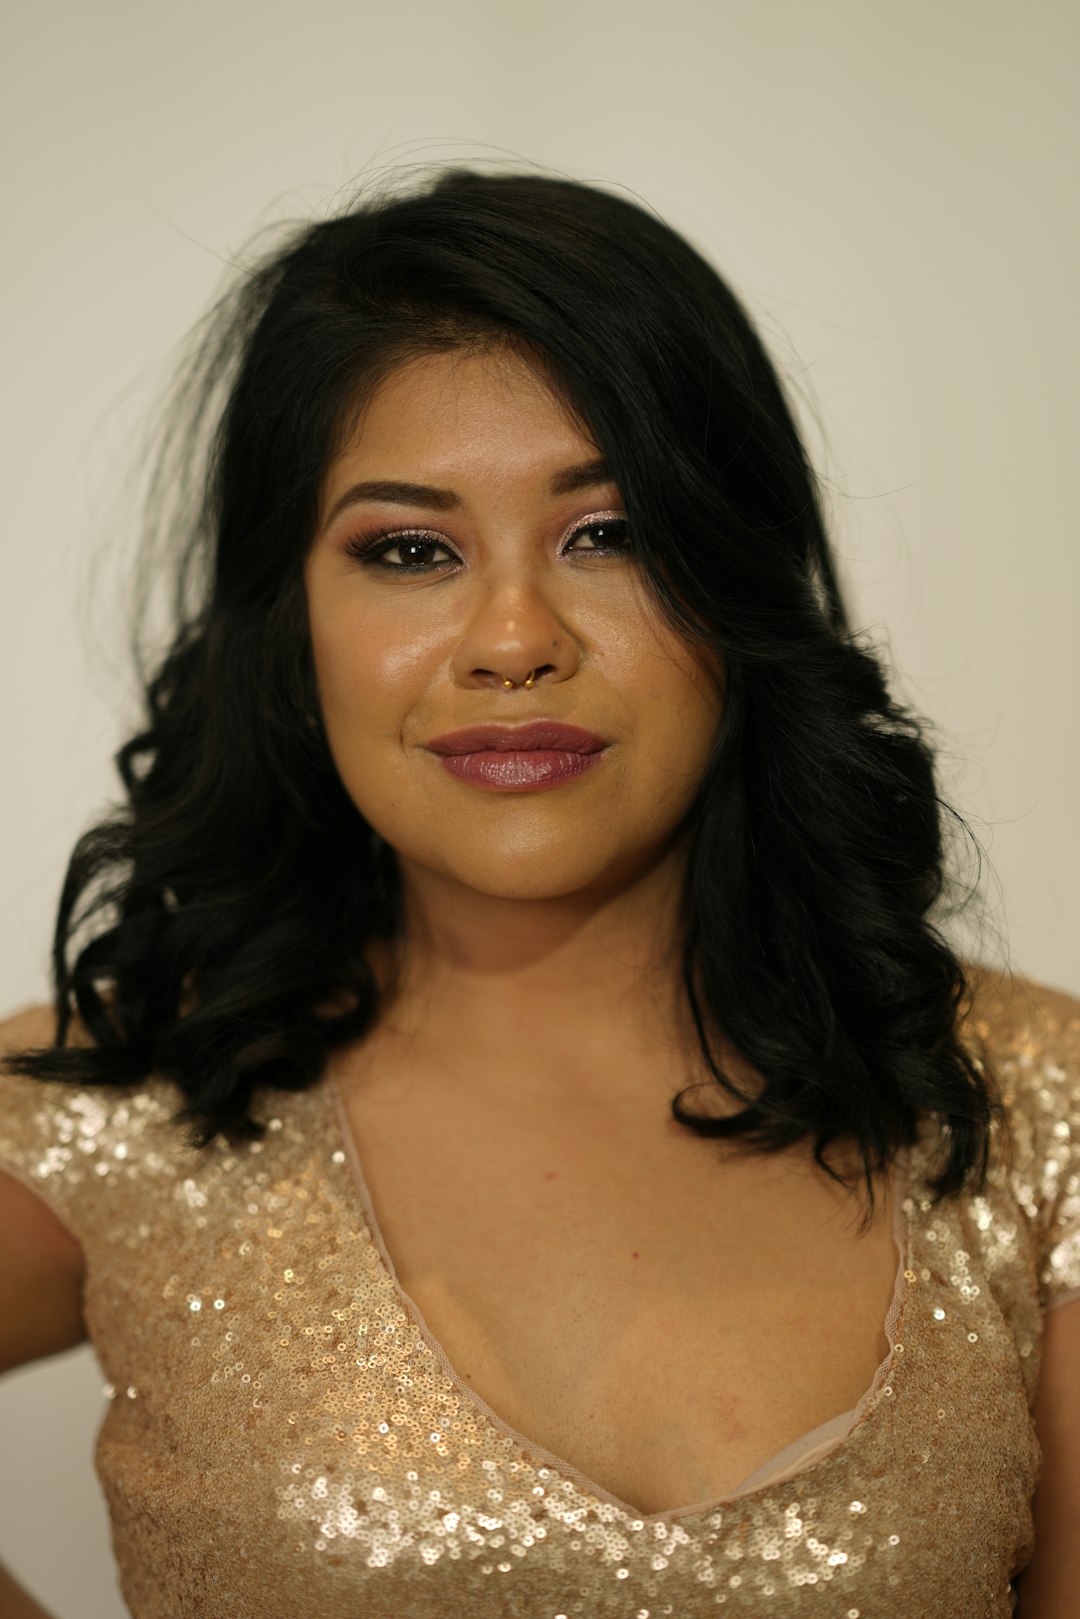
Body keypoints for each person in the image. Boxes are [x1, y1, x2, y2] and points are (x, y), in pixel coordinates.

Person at [0, 166, 1076, 1619]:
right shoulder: (123, 1101)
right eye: (409, 549)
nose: (513, 639)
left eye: (610, 534)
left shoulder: (1035, 1113)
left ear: (741, 586)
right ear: (291, 621)